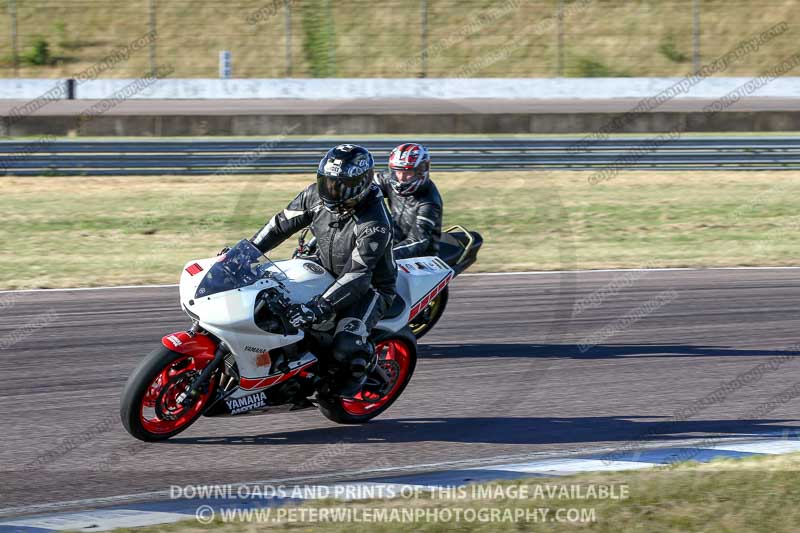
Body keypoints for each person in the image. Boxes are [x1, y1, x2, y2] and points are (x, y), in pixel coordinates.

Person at [249, 144, 396, 397]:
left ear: (361, 184)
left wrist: (319, 306)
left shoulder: (375, 224)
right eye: (327, 182)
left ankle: (354, 376)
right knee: (267, 303)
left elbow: (357, 275)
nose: (331, 190)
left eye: (341, 185)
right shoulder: (314, 196)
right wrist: (245, 253)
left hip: (369, 287)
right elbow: (278, 225)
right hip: (322, 267)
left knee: (344, 347)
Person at [374, 142, 443, 260]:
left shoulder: (429, 202)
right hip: (393, 240)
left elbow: (419, 241)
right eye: (398, 171)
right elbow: (365, 191)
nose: (401, 177)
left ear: (421, 171)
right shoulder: (389, 178)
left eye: (407, 172)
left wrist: (386, 256)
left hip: (421, 257)